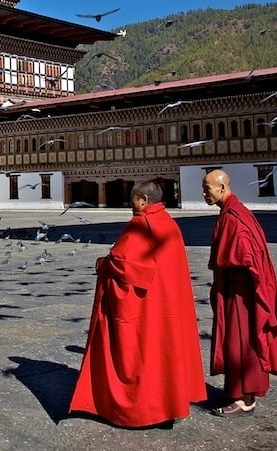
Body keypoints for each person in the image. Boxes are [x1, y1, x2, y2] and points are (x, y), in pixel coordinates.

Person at [69, 180, 207, 428]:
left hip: (144, 308)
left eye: (133, 200)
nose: (130, 205)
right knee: (164, 355)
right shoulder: (169, 224)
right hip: (167, 306)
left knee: (140, 356)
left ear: (143, 199)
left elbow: (122, 264)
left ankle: (137, 410)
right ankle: (167, 404)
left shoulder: (140, 224)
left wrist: (103, 263)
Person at [202, 169, 277, 417]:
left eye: (207, 188)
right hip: (237, 289)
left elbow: (244, 256)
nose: (204, 193)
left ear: (222, 188)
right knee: (237, 341)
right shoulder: (234, 212)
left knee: (242, 342)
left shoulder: (234, 218)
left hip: (241, 292)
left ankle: (245, 397)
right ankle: (238, 390)